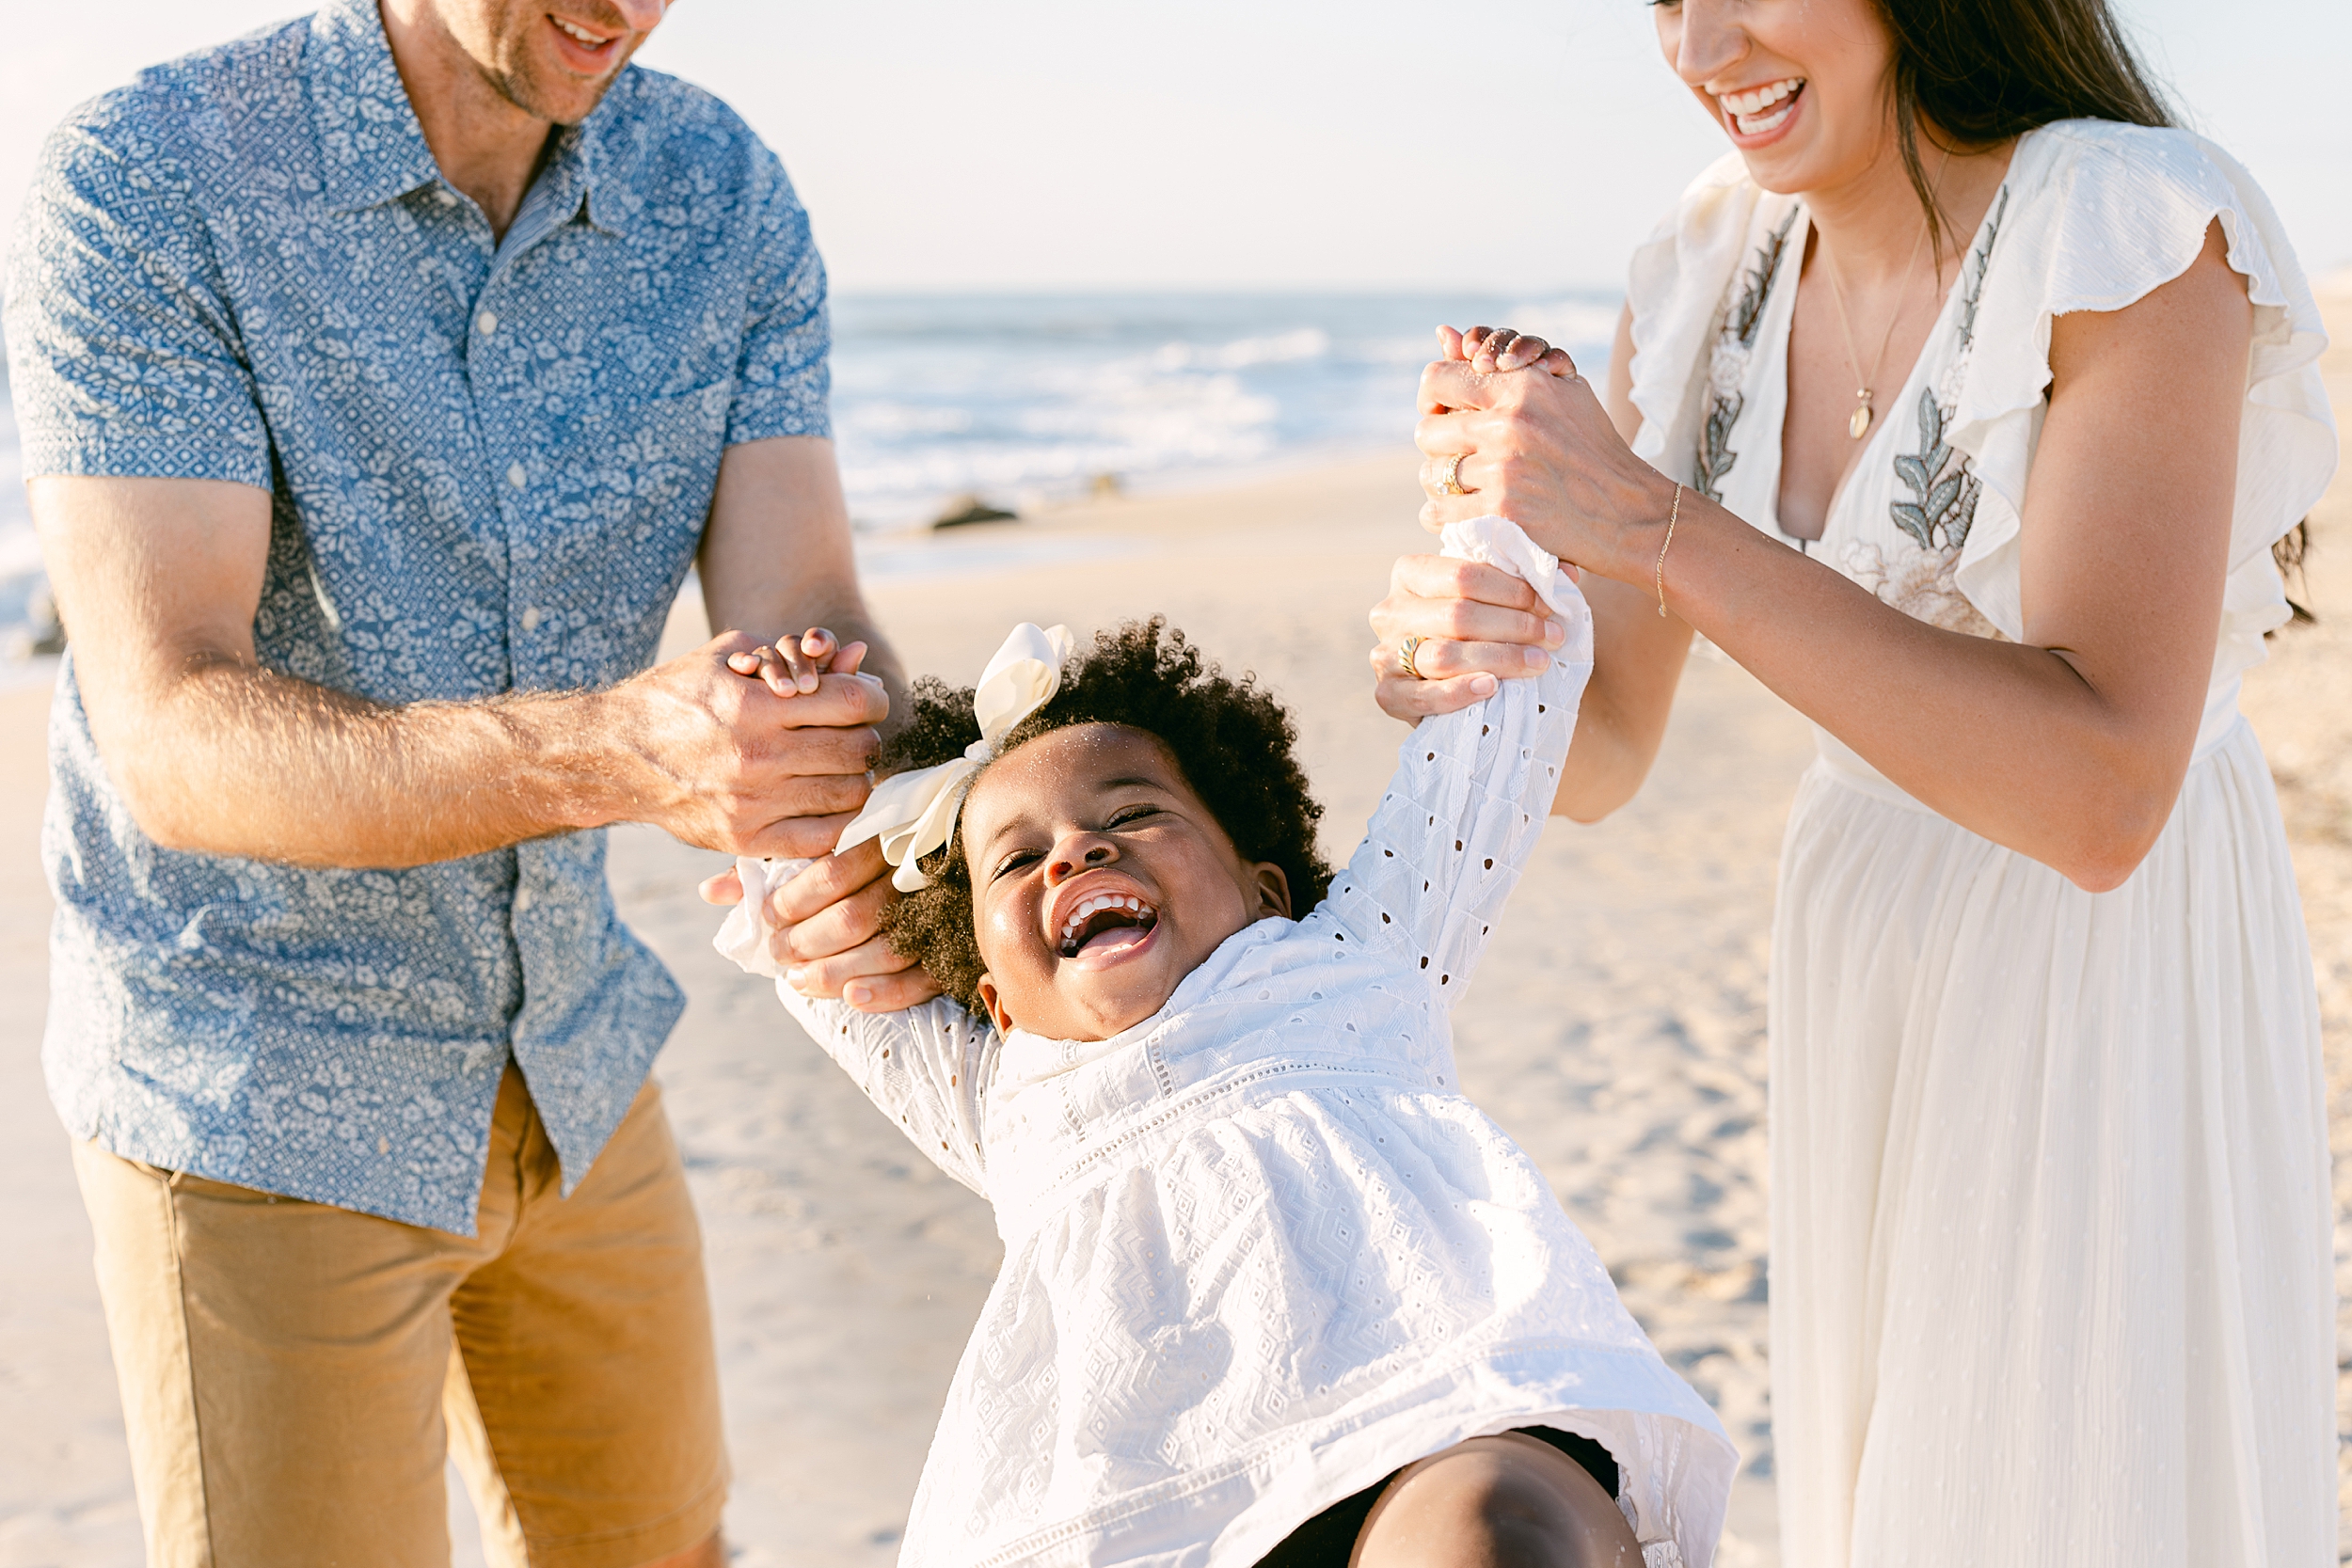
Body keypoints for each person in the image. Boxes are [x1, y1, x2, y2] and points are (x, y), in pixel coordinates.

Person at [1365, 0, 2338, 1564]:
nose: (1703, 46)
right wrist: (1479, 649)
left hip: (2104, 964)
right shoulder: (1701, 272)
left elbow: (2101, 795)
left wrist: (1649, 521)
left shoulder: (2126, 225)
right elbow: (1607, 748)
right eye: (1664, 0)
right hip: (1861, 937)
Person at [2, 1, 903, 1562]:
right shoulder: (151, 178)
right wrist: (626, 752)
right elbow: (175, 737)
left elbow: (813, 629)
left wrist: (870, 791)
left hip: (574, 1046)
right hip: (255, 1091)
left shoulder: (720, 193)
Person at [707, 544, 1737, 1568]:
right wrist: (792, 727)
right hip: (1156, 1510)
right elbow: (811, 946)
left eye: (1134, 811)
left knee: (1491, 1533)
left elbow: (1488, 734)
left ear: (1266, 887)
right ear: (991, 999)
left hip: (1435, 1414)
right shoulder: (999, 1090)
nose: (1076, 849)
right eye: (1019, 858)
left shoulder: (1354, 956)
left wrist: (1480, 528)